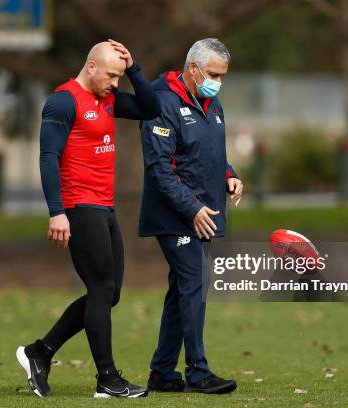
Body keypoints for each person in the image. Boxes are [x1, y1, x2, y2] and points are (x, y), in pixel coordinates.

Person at [16, 39, 160, 399]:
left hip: (105, 206)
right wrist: (57, 213)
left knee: (109, 294)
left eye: (120, 76)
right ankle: (108, 380)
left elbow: (150, 108)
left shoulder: (108, 99)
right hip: (79, 207)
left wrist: (135, 67)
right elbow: (48, 158)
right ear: (91, 67)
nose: (116, 82)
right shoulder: (63, 101)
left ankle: (41, 351)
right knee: (99, 289)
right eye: (112, 75)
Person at [139, 38, 243, 394]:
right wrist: (192, 207)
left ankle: (163, 372)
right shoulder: (161, 103)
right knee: (194, 283)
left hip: (203, 212)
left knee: (180, 291)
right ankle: (198, 370)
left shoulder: (212, 104)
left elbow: (211, 153)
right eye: (213, 73)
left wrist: (230, 176)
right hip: (174, 215)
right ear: (193, 68)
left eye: (223, 75)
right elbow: (160, 168)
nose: (218, 81)